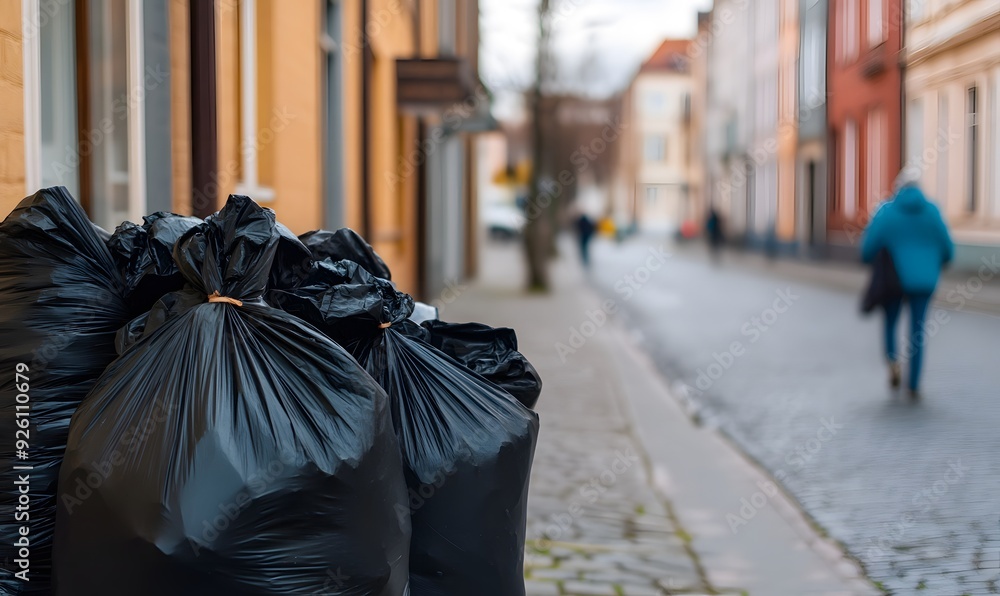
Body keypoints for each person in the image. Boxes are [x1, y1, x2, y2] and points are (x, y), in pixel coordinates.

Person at [861, 167, 953, 399]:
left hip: (893, 280)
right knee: (918, 331)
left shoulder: (886, 211)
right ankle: (914, 384)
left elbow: (867, 248)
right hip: (924, 281)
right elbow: (948, 248)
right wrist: (935, 262)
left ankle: (893, 362)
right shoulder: (932, 211)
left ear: (897, 188)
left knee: (891, 323)